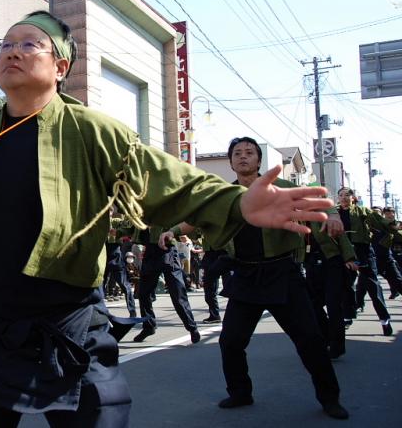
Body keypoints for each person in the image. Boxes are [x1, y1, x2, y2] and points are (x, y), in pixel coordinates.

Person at [0, 11, 336, 427]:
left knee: (99, 415)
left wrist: (236, 205)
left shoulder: (90, 129)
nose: (12, 52)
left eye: (29, 44)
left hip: (70, 321)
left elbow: (165, 178)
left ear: (60, 66)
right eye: (5, 44)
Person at [170, 137, 349, 419]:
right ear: (230, 161)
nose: (243, 157)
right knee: (230, 341)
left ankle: (330, 398)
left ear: (258, 160)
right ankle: (240, 392)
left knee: (310, 340)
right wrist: (172, 231)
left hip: (282, 273)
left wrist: (332, 215)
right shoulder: (222, 194)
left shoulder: (279, 187)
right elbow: (197, 218)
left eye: (249, 152)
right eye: (237, 153)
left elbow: (317, 199)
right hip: (245, 275)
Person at [336, 187, 393, 336]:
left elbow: (379, 221)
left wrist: (391, 226)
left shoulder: (362, 211)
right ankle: (347, 316)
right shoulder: (334, 213)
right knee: (345, 287)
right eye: (341, 195)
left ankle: (384, 320)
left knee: (373, 287)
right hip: (346, 254)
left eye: (347, 195)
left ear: (353, 198)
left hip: (364, 252)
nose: (343, 198)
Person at [133, 226, 200, 344]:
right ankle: (148, 326)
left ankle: (192, 327)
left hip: (167, 249)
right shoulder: (141, 210)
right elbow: (132, 227)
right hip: (150, 250)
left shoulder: (167, 208)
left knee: (178, 293)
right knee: (143, 293)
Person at [304, 221, 357, 359]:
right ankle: (327, 336)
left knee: (333, 305)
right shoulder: (295, 218)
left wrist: (350, 258)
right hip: (310, 263)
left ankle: (337, 346)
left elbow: (341, 236)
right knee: (311, 305)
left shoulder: (324, 214)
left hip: (332, 262)